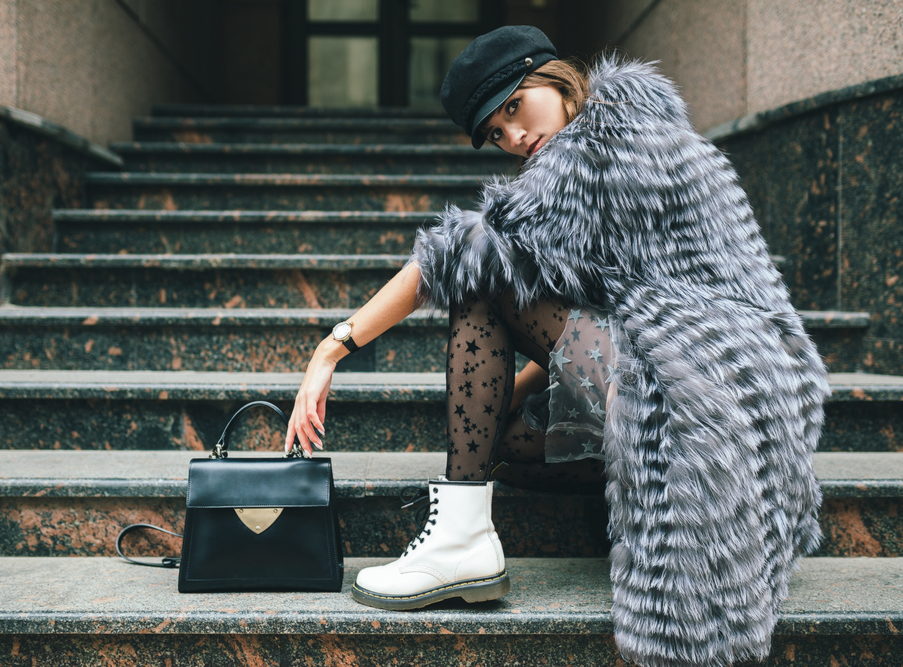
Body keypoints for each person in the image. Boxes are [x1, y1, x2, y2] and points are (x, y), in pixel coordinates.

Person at [284, 25, 828, 667]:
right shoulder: (596, 162)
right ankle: (477, 523)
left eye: (515, 106)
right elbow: (604, 315)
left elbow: (463, 249)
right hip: (707, 387)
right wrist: (500, 409)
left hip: (706, 383)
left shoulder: (619, 140)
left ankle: (460, 540)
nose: (513, 137)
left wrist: (332, 348)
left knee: (481, 284)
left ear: (554, 75)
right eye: (495, 132)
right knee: (503, 440)